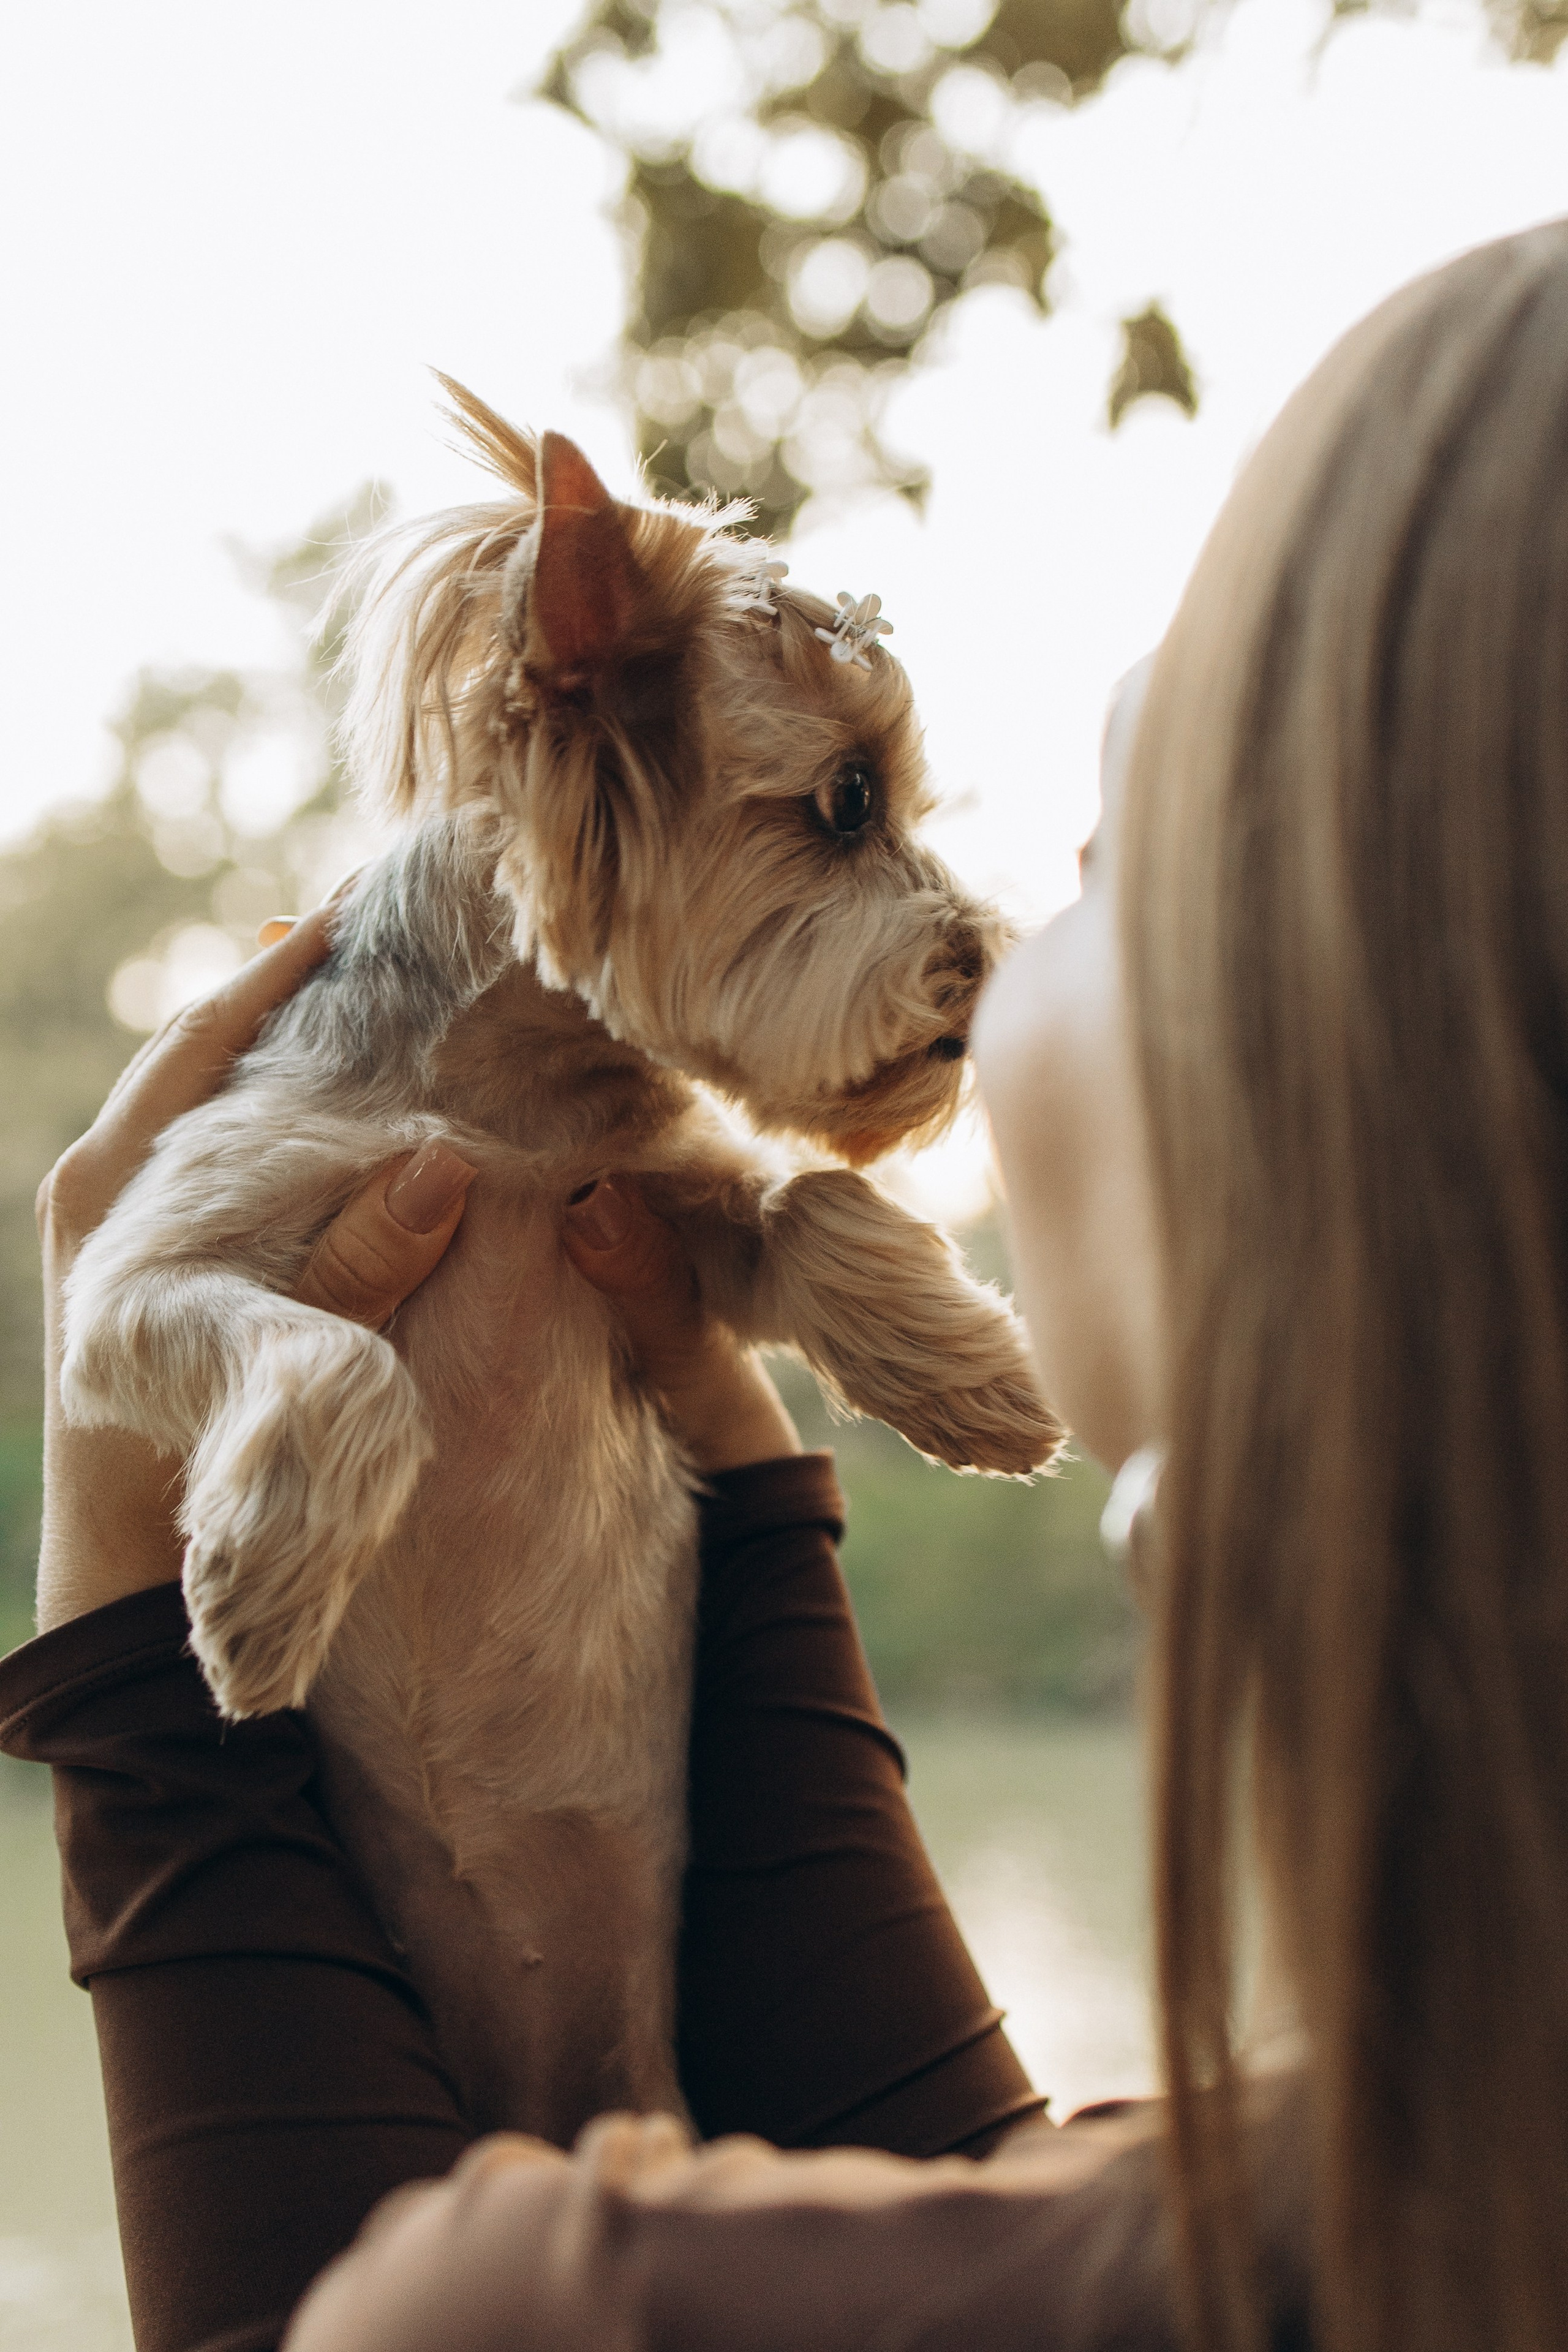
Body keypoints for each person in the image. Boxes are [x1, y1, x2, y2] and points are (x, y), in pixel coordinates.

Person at [9, 210, 1568, 2352]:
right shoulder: (1383, 2215)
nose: (983, 941)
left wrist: (136, 1727)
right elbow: (961, 2205)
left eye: (1106, 854)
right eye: (857, 814)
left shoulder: (565, 2310)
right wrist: (765, 1541)